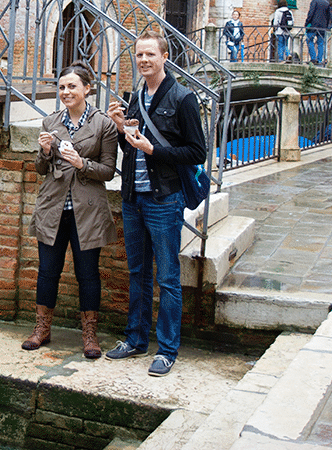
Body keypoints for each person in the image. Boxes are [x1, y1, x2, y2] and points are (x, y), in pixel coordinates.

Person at [104, 31, 207, 377]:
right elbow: (129, 148)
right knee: (137, 272)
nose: (144, 60)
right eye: (139, 55)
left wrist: (155, 150)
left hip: (164, 199)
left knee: (167, 276)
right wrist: (121, 129)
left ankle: (167, 349)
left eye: (150, 54)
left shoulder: (182, 98)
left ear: (165, 57)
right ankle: (135, 338)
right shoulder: (135, 99)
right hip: (134, 197)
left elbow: (197, 152)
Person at [23, 62, 119, 359]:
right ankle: (42, 329)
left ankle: (89, 335)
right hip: (53, 207)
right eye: (62, 87)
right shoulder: (50, 122)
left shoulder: (104, 124)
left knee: (87, 274)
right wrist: (44, 151)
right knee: (47, 272)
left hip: (86, 210)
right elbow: (41, 169)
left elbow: (108, 171)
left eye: (72, 86)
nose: (66, 92)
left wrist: (81, 164)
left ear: (87, 89)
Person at [304, 0, 332, 65]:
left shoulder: (314, 1)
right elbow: (328, 16)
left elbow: (311, 13)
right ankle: (319, 59)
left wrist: (307, 22)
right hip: (322, 27)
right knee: (321, 42)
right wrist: (326, 25)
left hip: (313, 25)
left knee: (309, 40)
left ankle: (313, 58)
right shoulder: (326, 3)